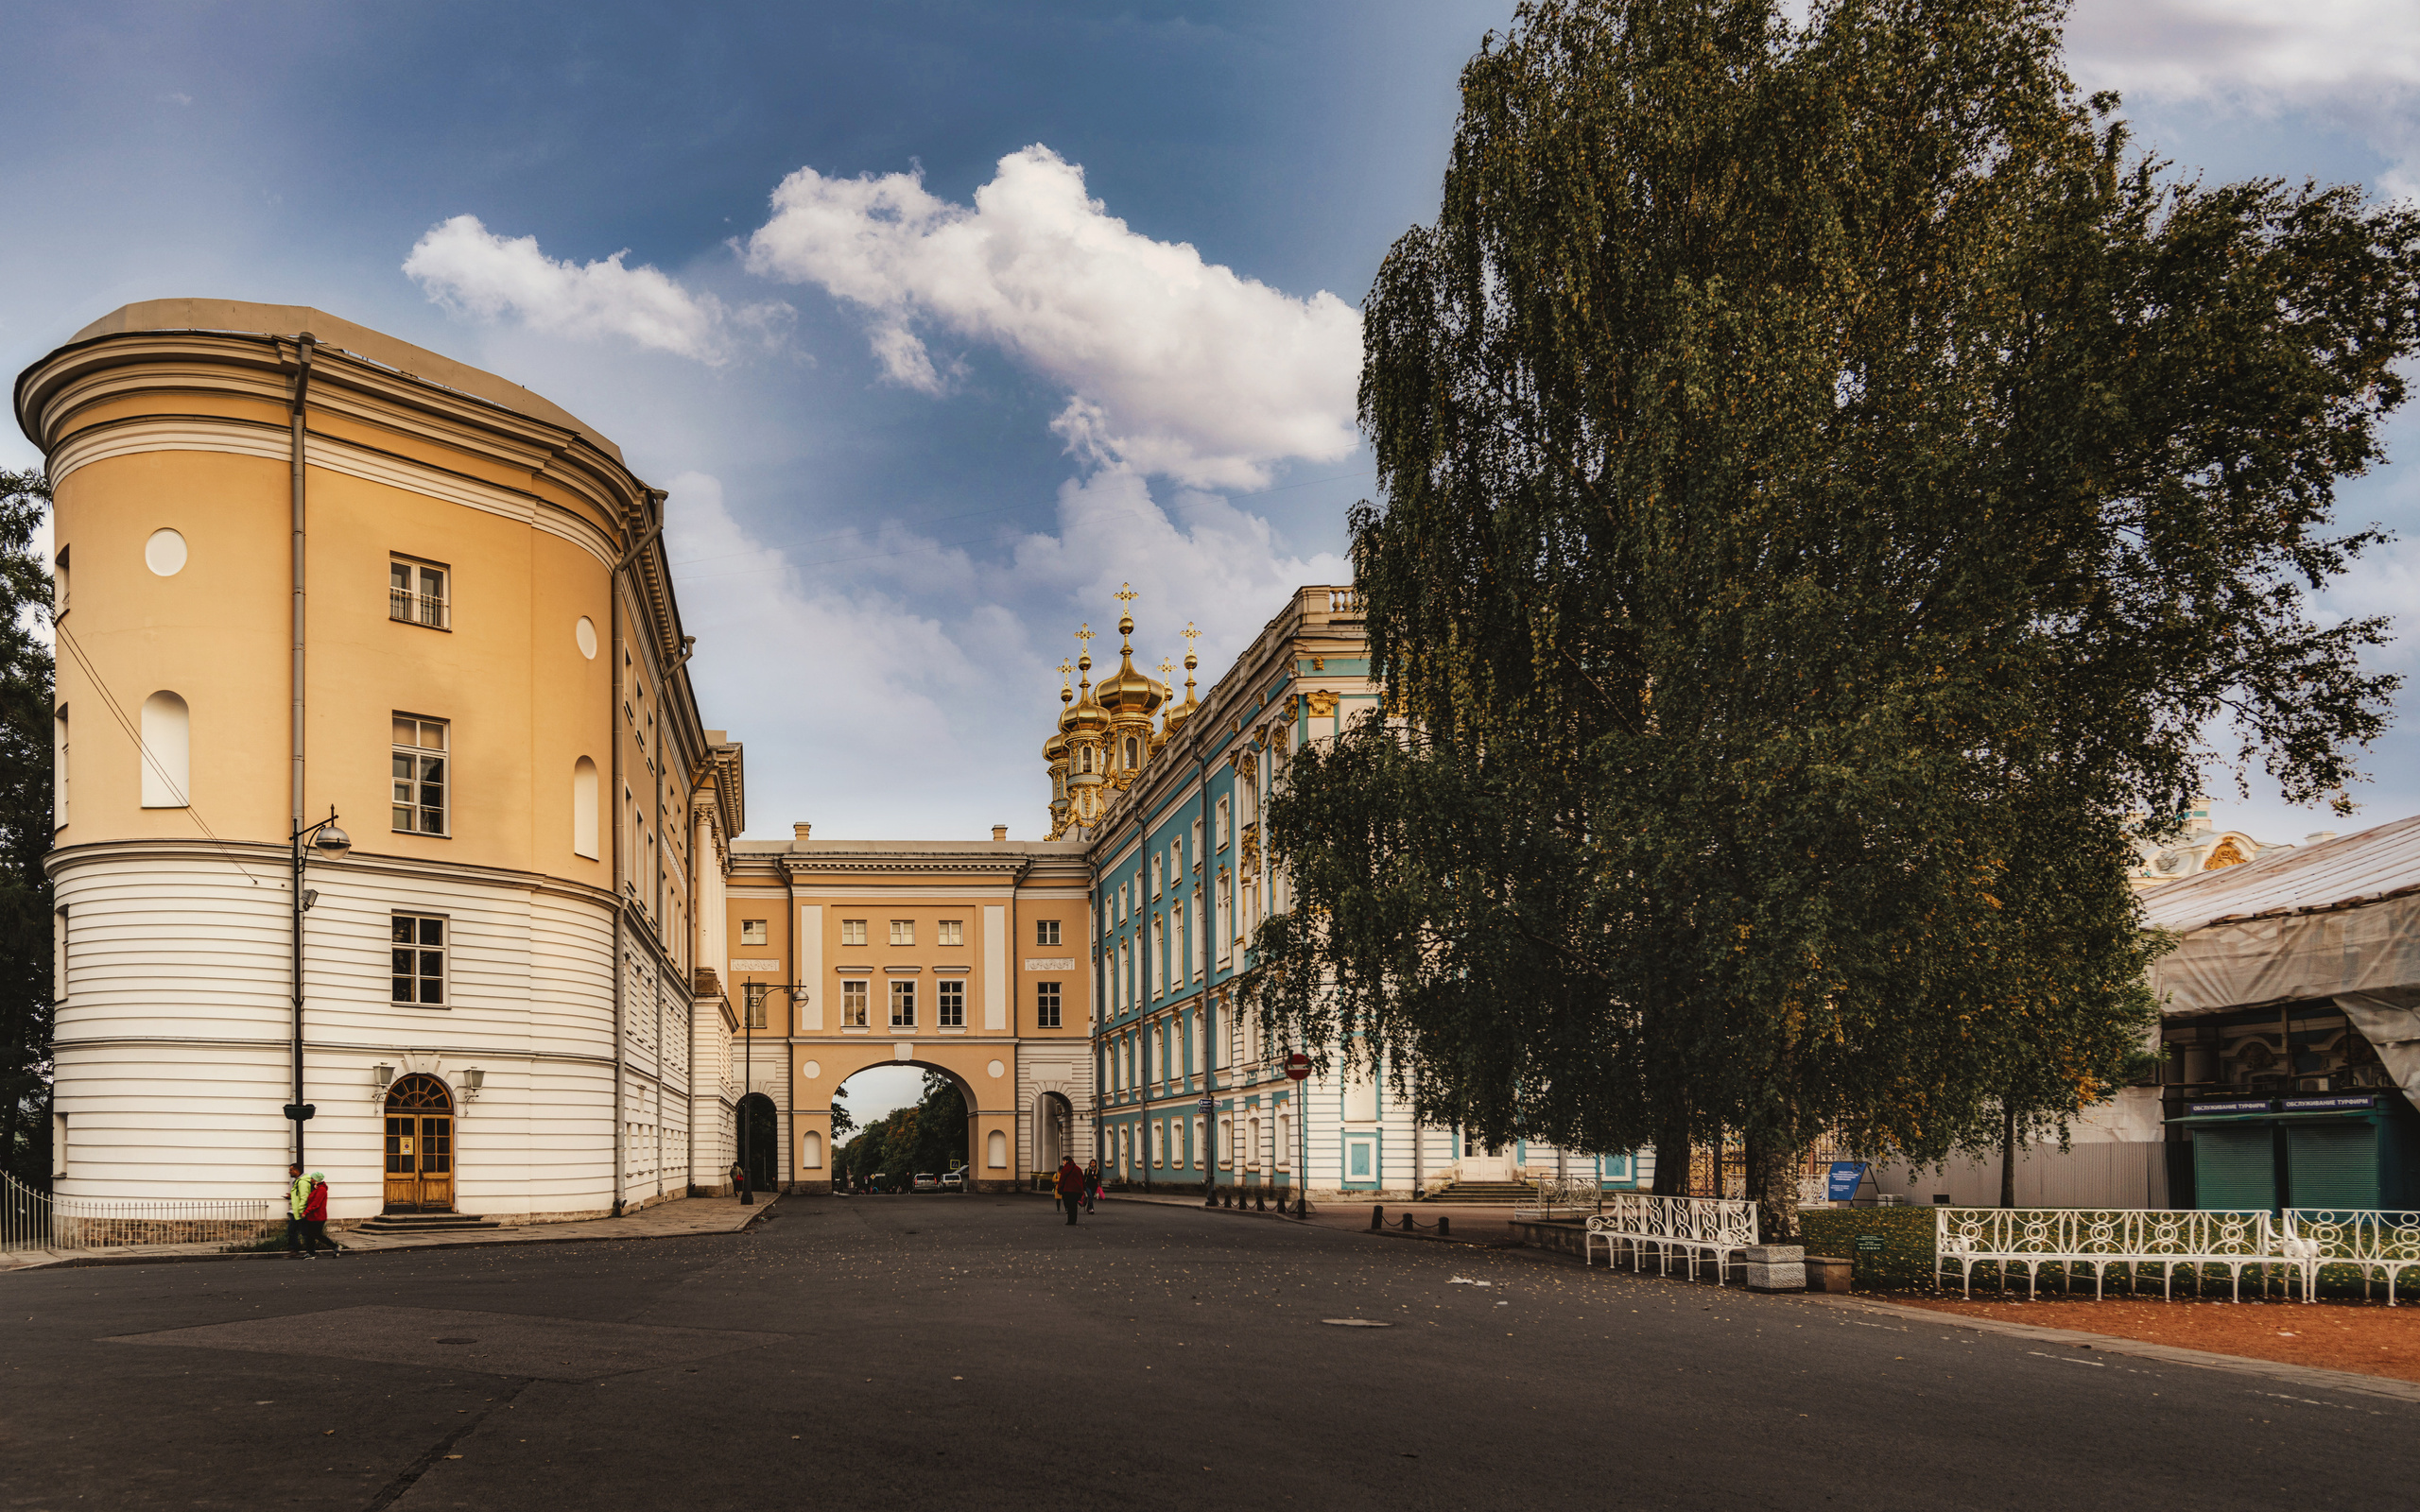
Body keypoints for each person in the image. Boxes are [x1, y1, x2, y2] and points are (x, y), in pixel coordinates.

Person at [298, 1173, 336, 1257]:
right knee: (311, 1235)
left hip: (318, 1216)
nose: (311, 1179)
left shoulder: (321, 1190)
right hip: (313, 1216)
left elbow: (315, 1204)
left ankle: (335, 1247)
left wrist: (305, 1212)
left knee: (316, 1235)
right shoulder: (317, 1188)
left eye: (312, 1178)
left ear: (316, 1179)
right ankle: (311, 1253)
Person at [285, 1164, 311, 1256]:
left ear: (296, 1170)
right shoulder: (298, 1181)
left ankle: (309, 1251)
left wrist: (301, 1210)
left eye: (291, 1170)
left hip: (300, 1212)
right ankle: (294, 1250)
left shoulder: (302, 1182)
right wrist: (291, 1196)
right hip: (296, 1212)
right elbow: (299, 1195)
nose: (289, 1172)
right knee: (292, 1231)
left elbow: (304, 1197)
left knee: (303, 1232)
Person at [1055, 1156, 1085, 1225]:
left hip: (1068, 1190)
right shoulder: (1078, 1169)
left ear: (1067, 1161)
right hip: (1077, 1190)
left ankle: (1070, 1220)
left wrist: (1060, 1189)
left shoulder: (1065, 1169)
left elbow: (1062, 1180)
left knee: (1069, 1205)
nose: (1063, 1162)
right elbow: (1082, 1178)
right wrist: (1083, 1188)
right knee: (1074, 1205)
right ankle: (1074, 1220)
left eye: (1064, 1161)